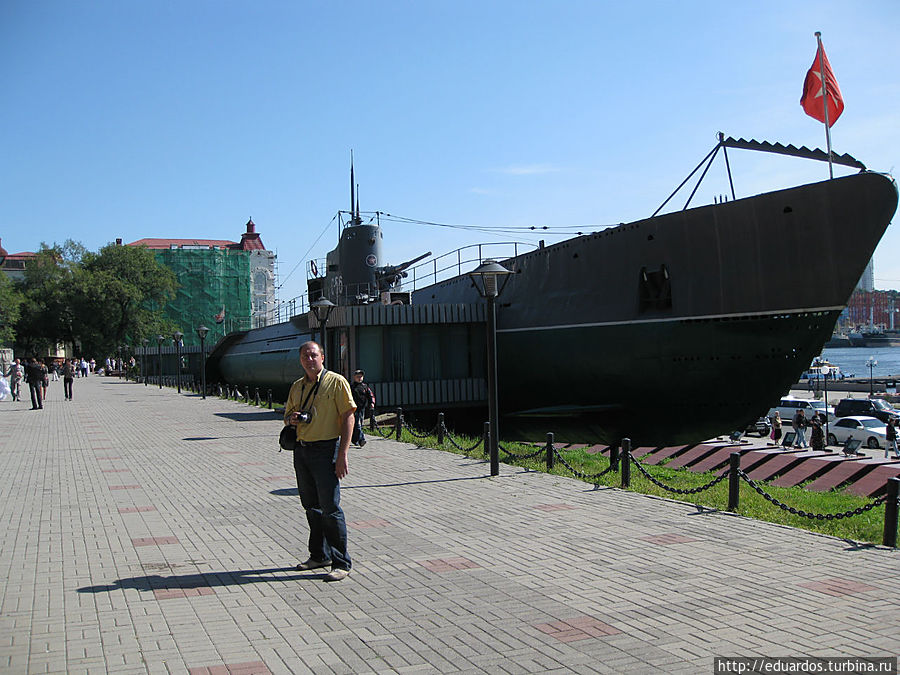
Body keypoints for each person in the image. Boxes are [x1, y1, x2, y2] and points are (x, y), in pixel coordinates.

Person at [283, 341, 355, 582]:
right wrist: (292, 420)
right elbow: (287, 416)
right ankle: (319, 555)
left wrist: (342, 454)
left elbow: (348, 416)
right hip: (302, 451)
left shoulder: (336, 382)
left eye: (313, 355)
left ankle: (341, 562)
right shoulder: (297, 386)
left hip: (326, 450)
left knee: (330, 508)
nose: (309, 359)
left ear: (322, 357)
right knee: (311, 506)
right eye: (305, 356)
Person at [350, 369, 374, 448]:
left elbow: (370, 396)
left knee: (358, 424)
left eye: (361, 376)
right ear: (354, 377)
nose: (359, 378)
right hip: (353, 408)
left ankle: (355, 439)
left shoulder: (365, 387)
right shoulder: (351, 387)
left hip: (362, 408)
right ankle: (361, 439)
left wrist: (372, 403)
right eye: (358, 376)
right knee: (357, 424)